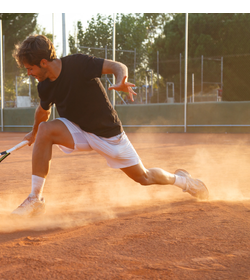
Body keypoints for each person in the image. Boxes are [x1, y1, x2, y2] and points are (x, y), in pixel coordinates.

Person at [11, 35, 209, 216]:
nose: (29, 73)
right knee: (46, 130)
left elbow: (117, 66)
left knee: (144, 177)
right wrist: (34, 132)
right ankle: (35, 199)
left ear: (43, 62)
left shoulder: (78, 63)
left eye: (30, 68)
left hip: (108, 135)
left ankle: (184, 181)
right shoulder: (44, 85)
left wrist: (121, 80)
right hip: (77, 130)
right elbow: (43, 111)